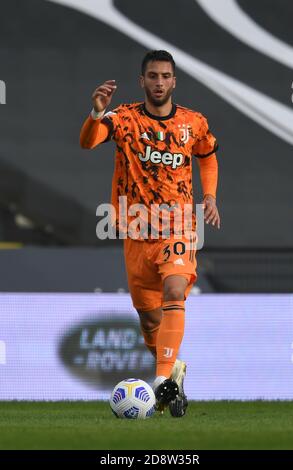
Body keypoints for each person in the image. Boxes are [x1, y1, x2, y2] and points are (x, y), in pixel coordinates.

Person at [80, 50, 220, 417]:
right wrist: (96, 113)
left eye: (165, 76)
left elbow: (207, 154)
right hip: (136, 230)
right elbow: (88, 142)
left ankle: (160, 381)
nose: (159, 82)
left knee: (175, 290)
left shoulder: (193, 122)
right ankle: (173, 371)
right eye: (153, 76)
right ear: (142, 81)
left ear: (174, 81)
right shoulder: (123, 118)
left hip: (178, 224)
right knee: (149, 319)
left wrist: (209, 196)